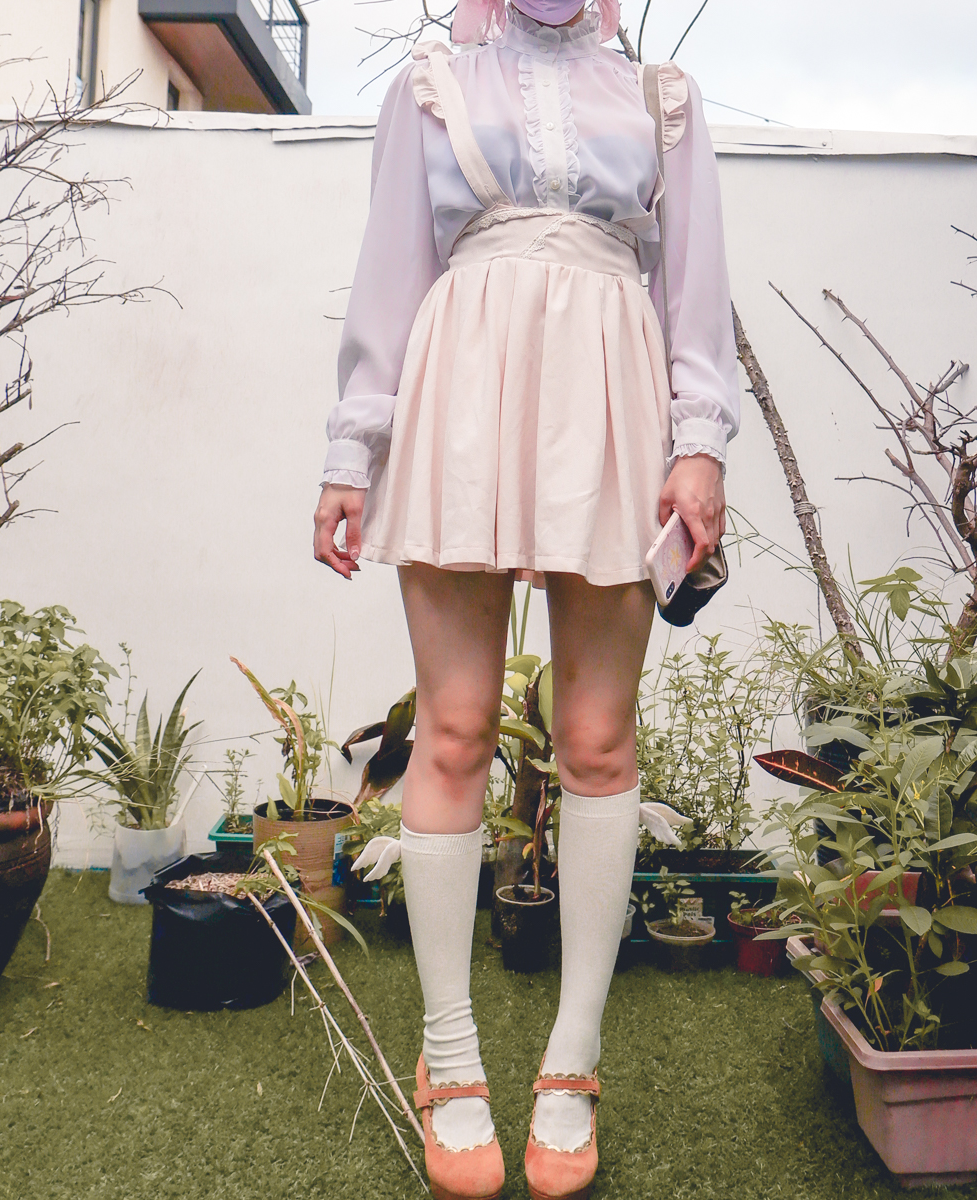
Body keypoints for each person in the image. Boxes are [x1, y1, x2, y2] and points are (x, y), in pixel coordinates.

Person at [313, 1, 738, 1197]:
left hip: (615, 401)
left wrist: (700, 446)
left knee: (596, 742)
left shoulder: (663, 99)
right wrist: (351, 453)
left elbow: (695, 293)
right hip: (460, 394)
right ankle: (450, 1057)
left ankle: (573, 1059)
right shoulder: (432, 83)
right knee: (451, 731)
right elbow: (390, 276)